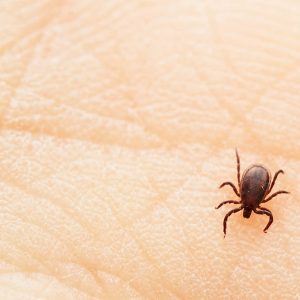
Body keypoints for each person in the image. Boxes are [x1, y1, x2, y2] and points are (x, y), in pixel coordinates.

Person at [0, 1, 298, 298]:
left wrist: (263, 225)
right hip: (257, 176)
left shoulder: (240, 198)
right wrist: (262, 223)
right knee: (252, 179)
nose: (245, 211)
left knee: (241, 175)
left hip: (253, 175)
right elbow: (255, 196)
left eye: (244, 209)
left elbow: (235, 191)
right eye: (247, 209)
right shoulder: (256, 200)